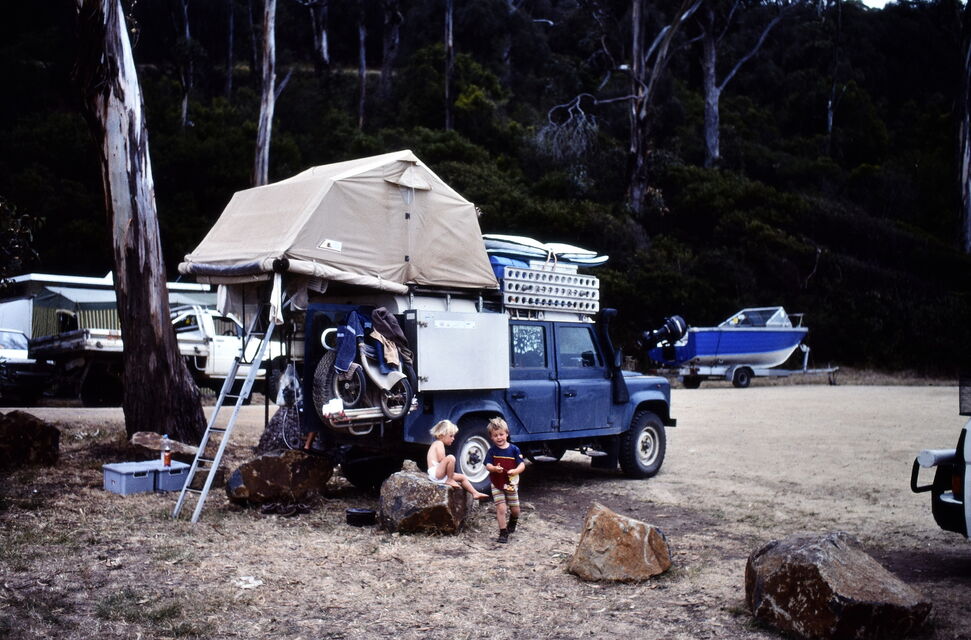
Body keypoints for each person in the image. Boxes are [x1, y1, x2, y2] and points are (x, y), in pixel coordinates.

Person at [484, 417, 526, 543]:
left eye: (501, 434)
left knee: (515, 510)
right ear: (491, 437)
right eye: (495, 435)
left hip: (511, 484)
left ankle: (513, 520)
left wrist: (516, 471)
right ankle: (503, 532)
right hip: (497, 483)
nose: (499, 437)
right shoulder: (492, 451)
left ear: (507, 433)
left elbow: (522, 465)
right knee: (501, 508)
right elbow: (487, 465)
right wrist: (494, 468)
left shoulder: (514, 449)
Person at [426, 420, 489, 499]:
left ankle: (475, 493)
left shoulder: (438, 443)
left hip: (439, 473)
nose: (453, 439)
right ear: (442, 435)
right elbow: (441, 459)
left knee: (462, 477)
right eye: (451, 436)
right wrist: (450, 467)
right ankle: (449, 480)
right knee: (451, 458)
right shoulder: (439, 443)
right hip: (436, 473)